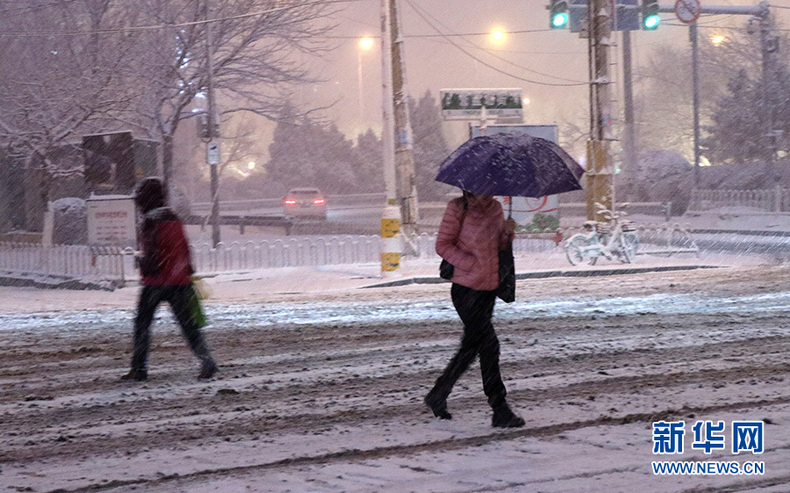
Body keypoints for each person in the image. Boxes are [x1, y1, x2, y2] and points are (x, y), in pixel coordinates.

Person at [426, 190, 524, 428]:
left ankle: (438, 394)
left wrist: (508, 234)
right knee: (489, 345)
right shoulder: (458, 209)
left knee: (472, 347)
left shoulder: (496, 209)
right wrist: (470, 264)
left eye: (486, 191)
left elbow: (498, 246)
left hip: (488, 290)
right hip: (465, 289)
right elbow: (442, 245)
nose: (481, 196)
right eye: (476, 192)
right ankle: (499, 407)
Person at [121, 177, 218, 382]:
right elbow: (183, 247)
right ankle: (206, 361)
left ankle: (139, 368)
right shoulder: (174, 219)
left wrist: (141, 262)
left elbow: (153, 254)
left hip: (156, 282)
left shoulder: (151, 222)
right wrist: (186, 270)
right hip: (179, 281)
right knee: (188, 325)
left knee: (142, 324)